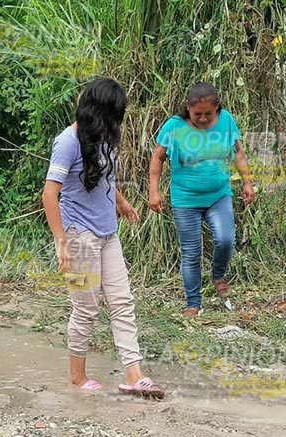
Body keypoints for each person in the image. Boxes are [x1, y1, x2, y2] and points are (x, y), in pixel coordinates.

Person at [42, 77, 165, 399]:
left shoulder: (104, 137)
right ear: (100, 111)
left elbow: (104, 178)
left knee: (123, 302)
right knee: (86, 308)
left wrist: (121, 202)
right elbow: (49, 194)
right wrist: (61, 242)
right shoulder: (67, 142)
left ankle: (134, 375)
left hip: (107, 232)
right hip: (78, 236)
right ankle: (77, 378)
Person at [148, 82, 255, 317]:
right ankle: (193, 303)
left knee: (226, 239)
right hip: (185, 199)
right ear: (188, 108)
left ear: (217, 109)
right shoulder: (174, 127)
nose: (204, 119)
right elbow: (158, 158)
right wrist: (153, 191)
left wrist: (247, 182)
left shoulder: (226, 120)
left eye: (209, 114)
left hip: (219, 195)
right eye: (198, 114)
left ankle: (217, 275)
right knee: (191, 253)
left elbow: (238, 152)